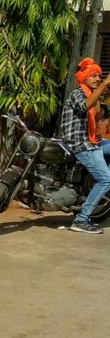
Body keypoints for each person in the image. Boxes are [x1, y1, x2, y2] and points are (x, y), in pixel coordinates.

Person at [59, 57, 110, 233]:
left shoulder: (92, 95)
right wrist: (105, 84)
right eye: (94, 76)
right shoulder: (78, 93)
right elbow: (84, 106)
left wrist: (100, 94)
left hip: (93, 142)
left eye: (99, 76)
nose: (98, 79)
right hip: (80, 144)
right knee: (106, 180)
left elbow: (97, 116)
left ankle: (94, 181)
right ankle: (81, 220)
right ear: (84, 77)